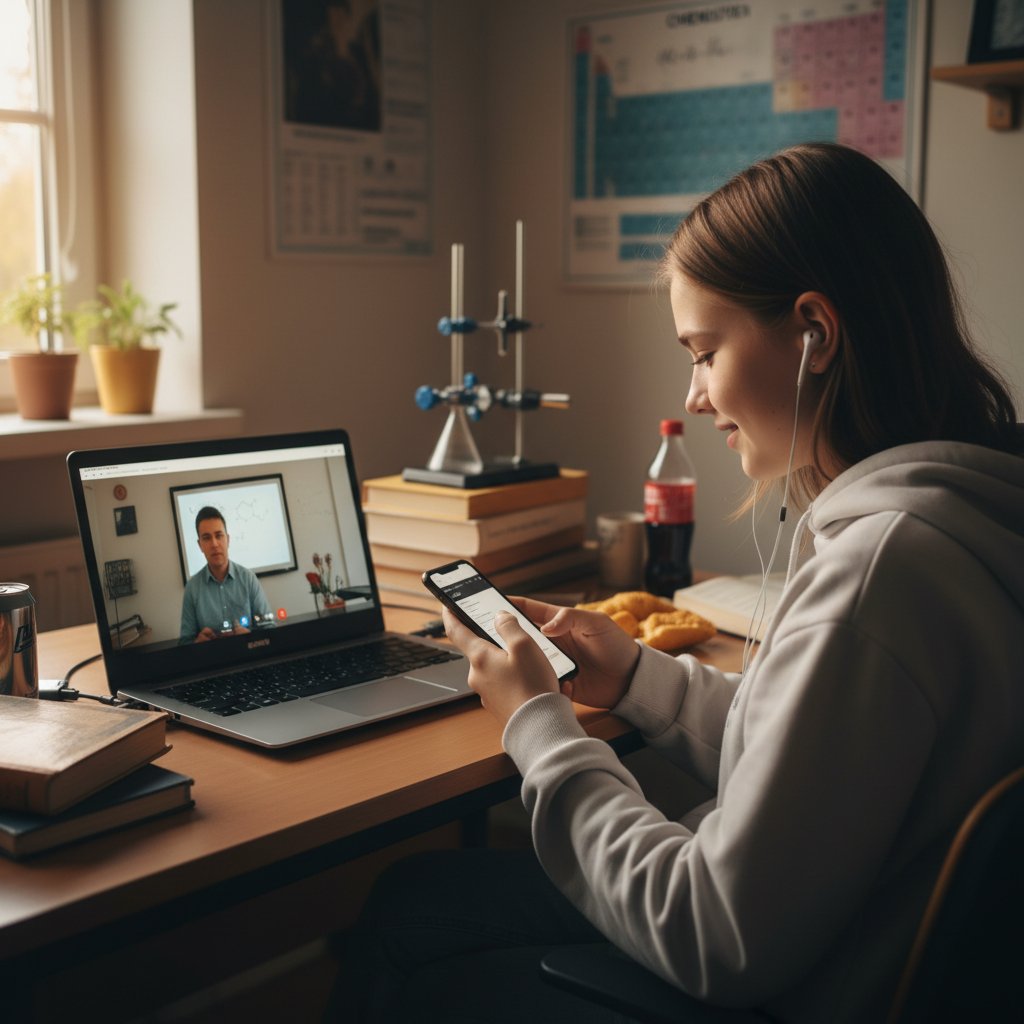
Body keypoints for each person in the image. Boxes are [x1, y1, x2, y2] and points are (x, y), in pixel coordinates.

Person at [335, 143, 1024, 1023]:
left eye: (703, 351)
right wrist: (636, 679)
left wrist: (536, 726)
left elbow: (712, 933)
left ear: (815, 332)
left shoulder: (879, 576)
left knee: (408, 920)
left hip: (775, 983)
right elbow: (819, 758)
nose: (695, 396)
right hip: (845, 935)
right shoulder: (972, 517)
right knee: (422, 892)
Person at [179, 507, 275, 644]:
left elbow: (270, 629)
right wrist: (197, 644)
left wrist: (249, 637)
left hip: (249, 656)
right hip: (213, 662)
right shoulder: (192, 588)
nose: (214, 544)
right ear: (200, 545)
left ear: (228, 539)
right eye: (206, 538)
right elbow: (184, 643)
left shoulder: (248, 579)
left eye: (219, 535)